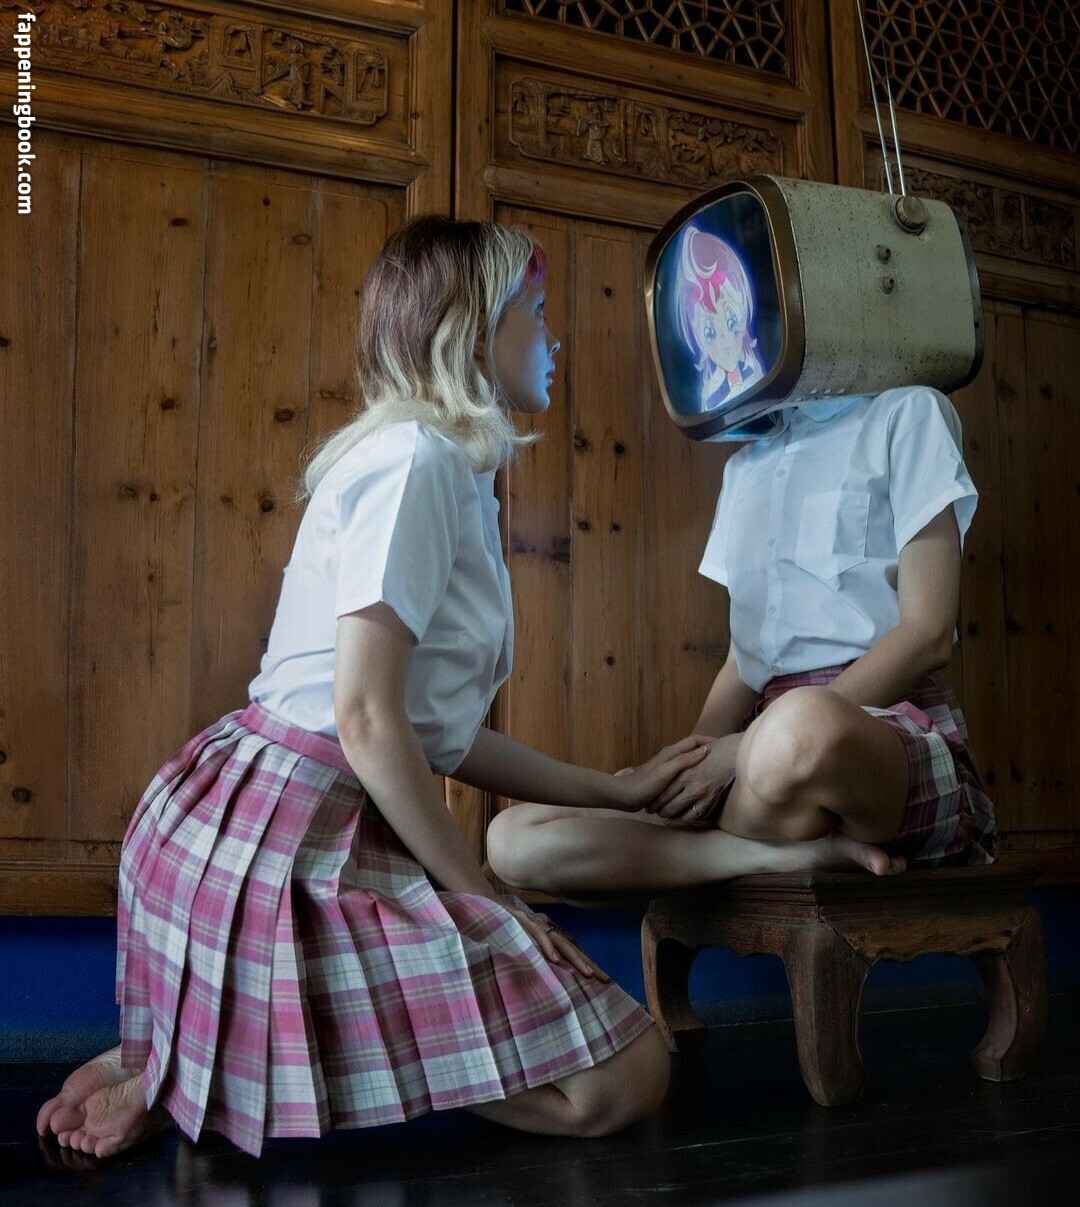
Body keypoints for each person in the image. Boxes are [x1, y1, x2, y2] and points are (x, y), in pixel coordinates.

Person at [35, 216, 902, 1163]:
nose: (554, 337)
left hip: (311, 816)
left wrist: (614, 788)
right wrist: (485, 897)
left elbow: (431, 734)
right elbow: (364, 719)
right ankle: (192, 1061)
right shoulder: (413, 461)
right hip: (276, 838)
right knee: (626, 1079)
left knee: (625, 1075)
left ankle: (194, 1046)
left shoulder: (445, 468)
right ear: (474, 334)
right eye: (537, 312)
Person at [487, 386, 996, 900]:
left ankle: (739, 826)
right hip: (759, 758)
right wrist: (693, 763)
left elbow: (927, 634)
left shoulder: (908, 412)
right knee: (511, 839)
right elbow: (743, 661)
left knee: (799, 729)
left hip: (870, 732)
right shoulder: (744, 466)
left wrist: (742, 749)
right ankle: (776, 854)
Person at [676, 224, 765, 412]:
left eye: (731, 321)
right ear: (698, 337)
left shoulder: (754, 369)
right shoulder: (710, 397)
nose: (725, 341)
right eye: (710, 333)